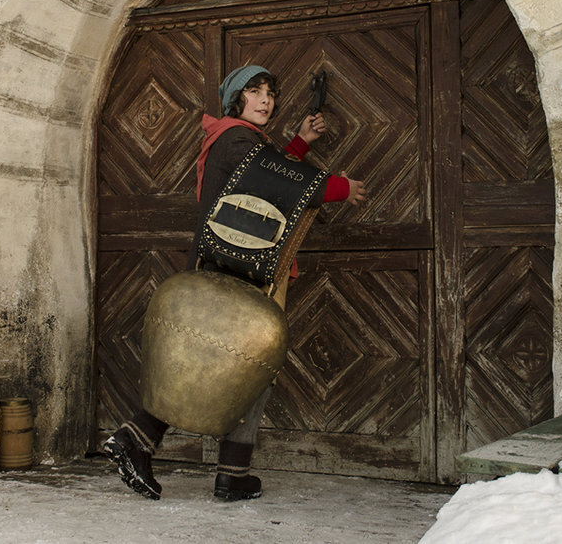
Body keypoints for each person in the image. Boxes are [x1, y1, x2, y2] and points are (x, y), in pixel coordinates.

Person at [102, 64, 366, 502]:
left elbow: (265, 178)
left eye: (270, 92)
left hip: (239, 273)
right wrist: (336, 187)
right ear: (235, 99)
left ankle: (196, 461)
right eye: (254, 91)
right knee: (246, 363)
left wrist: (301, 142)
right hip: (233, 275)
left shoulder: (242, 141)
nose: (265, 100)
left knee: (242, 364)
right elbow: (273, 178)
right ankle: (192, 459)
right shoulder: (233, 138)